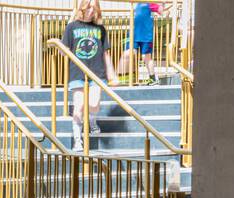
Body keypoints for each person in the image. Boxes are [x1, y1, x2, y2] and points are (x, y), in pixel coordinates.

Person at [62, 1, 116, 142]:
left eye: (94, 8)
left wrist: (111, 74)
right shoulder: (71, 27)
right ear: (82, 8)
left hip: (97, 73)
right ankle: (78, 140)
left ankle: (92, 121)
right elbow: (64, 51)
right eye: (89, 7)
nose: (92, 11)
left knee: (93, 104)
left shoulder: (100, 29)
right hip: (77, 73)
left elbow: (106, 53)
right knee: (78, 105)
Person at [119, 2, 162, 84]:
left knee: (146, 57)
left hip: (146, 35)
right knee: (129, 52)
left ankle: (152, 78)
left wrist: (163, 5)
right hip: (135, 33)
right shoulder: (137, 3)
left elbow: (161, 10)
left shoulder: (149, 3)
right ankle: (122, 77)